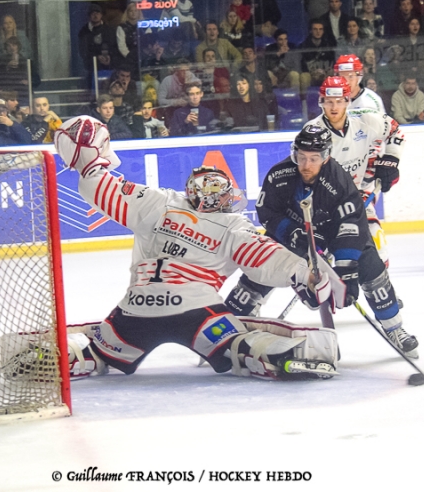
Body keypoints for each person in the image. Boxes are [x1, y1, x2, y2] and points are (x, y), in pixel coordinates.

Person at [50, 115, 339, 380]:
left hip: (135, 311)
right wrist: (306, 275)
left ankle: (67, 357)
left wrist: (88, 159)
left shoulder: (158, 202)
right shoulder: (232, 225)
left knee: (98, 353)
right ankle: (275, 356)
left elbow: (99, 186)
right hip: (196, 311)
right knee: (237, 344)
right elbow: (267, 258)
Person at [223, 124, 418, 357]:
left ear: (326, 156)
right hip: (293, 232)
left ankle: (394, 328)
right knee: (261, 267)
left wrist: (347, 269)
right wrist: (293, 234)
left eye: (314, 158)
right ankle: (230, 328)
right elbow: (267, 211)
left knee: (372, 269)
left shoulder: (339, 182)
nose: (306, 165)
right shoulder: (280, 175)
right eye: (301, 157)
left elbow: (352, 225)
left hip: (333, 231)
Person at [302, 75, 405, 266]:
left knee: (378, 247)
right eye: (329, 102)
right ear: (321, 102)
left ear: (348, 100)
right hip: (325, 200)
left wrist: (391, 159)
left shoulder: (367, 119)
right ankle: (341, 294)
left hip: (359, 193)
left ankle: (383, 292)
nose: (334, 108)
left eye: (339, 101)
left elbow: (395, 131)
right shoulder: (312, 131)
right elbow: (303, 171)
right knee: (323, 258)